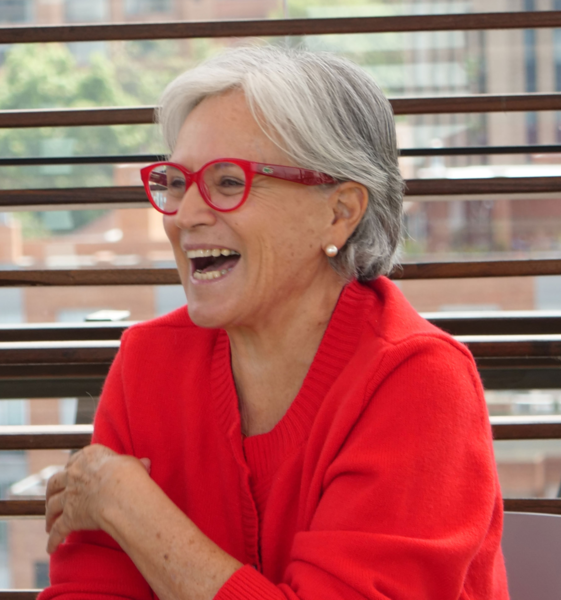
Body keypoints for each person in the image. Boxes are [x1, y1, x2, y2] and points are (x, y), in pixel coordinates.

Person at [42, 46, 508, 599]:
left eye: (229, 182)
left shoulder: (418, 381)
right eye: (176, 182)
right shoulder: (148, 363)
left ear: (339, 211)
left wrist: (127, 503)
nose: (186, 215)